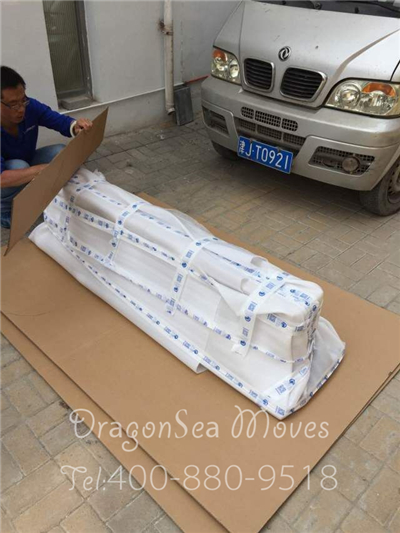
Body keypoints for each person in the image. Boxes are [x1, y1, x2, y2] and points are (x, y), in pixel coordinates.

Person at [1, 66, 93, 228]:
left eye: (23, 100)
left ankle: (51, 197)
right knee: (19, 166)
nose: (21, 109)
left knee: (60, 152)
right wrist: (40, 170)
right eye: (13, 104)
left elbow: (56, 119)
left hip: (26, 162)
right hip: (6, 176)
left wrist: (76, 126)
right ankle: (4, 211)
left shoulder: (30, 107)